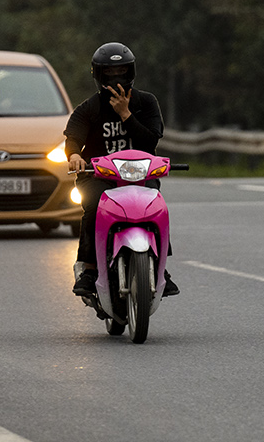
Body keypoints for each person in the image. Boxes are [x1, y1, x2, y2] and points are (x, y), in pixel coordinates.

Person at [64, 42, 179, 299]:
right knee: (93, 206)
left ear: (132, 72)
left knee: (156, 207)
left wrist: (125, 114)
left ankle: (161, 270)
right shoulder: (89, 108)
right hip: (96, 177)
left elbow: (149, 143)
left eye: (122, 72)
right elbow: (73, 137)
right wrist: (73, 156)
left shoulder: (146, 103)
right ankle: (90, 270)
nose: (116, 78)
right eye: (109, 73)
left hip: (140, 176)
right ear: (98, 75)